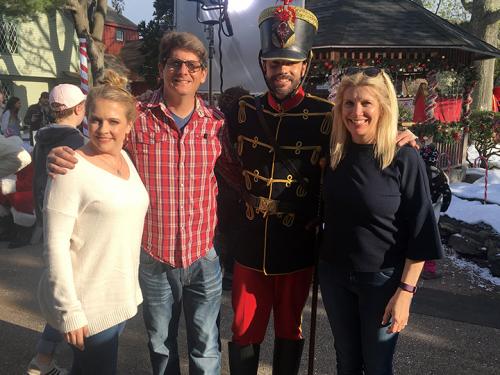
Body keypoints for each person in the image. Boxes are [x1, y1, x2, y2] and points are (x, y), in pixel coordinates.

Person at [221, 3, 419, 374]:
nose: (282, 70)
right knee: (244, 328)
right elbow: (225, 165)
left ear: (304, 65)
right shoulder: (241, 112)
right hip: (250, 243)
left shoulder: (327, 117)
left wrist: (401, 134)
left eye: (289, 63)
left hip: (298, 244)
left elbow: (366, 138)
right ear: (264, 64)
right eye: (275, 62)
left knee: (289, 328)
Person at [47, 32, 235, 374]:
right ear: (162, 67)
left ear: (203, 74)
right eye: (175, 63)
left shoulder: (217, 123)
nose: (183, 72)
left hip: (202, 254)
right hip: (154, 256)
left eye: (193, 66)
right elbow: (101, 144)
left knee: (206, 347)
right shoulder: (139, 116)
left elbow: (237, 174)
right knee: (161, 345)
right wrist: (62, 152)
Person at [319, 66, 443, 375]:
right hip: (335, 275)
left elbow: (422, 229)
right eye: (349, 103)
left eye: (366, 104)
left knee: (376, 365)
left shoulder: (403, 157)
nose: (356, 112)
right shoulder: (334, 151)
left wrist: (406, 293)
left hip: (382, 280)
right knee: (345, 360)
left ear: (383, 107)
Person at [37, 70, 149, 375]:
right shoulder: (70, 168)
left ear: (129, 124)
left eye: (113, 121)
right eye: (96, 119)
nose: (102, 129)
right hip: (88, 305)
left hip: (119, 297)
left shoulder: (126, 159)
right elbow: (55, 247)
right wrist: (69, 311)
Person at [27, 84, 86, 375]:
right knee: (69, 295)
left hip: (46, 219)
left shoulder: (43, 137)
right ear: (80, 109)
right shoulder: (75, 142)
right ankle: (44, 358)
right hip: (71, 228)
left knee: (61, 291)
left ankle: (45, 357)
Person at [216, 86, 250, 291]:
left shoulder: (221, 125)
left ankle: (229, 269)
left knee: (227, 230)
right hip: (233, 188)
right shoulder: (242, 124)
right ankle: (231, 269)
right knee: (233, 229)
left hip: (225, 186)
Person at [419, 144, 452, 280]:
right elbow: (447, 194)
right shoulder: (439, 175)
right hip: (432, 214)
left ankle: (408, 268)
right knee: (430, 242)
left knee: (412, 239)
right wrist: (443, 207)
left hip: (416, 212)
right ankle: (428, 269)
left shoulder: (416, 171)